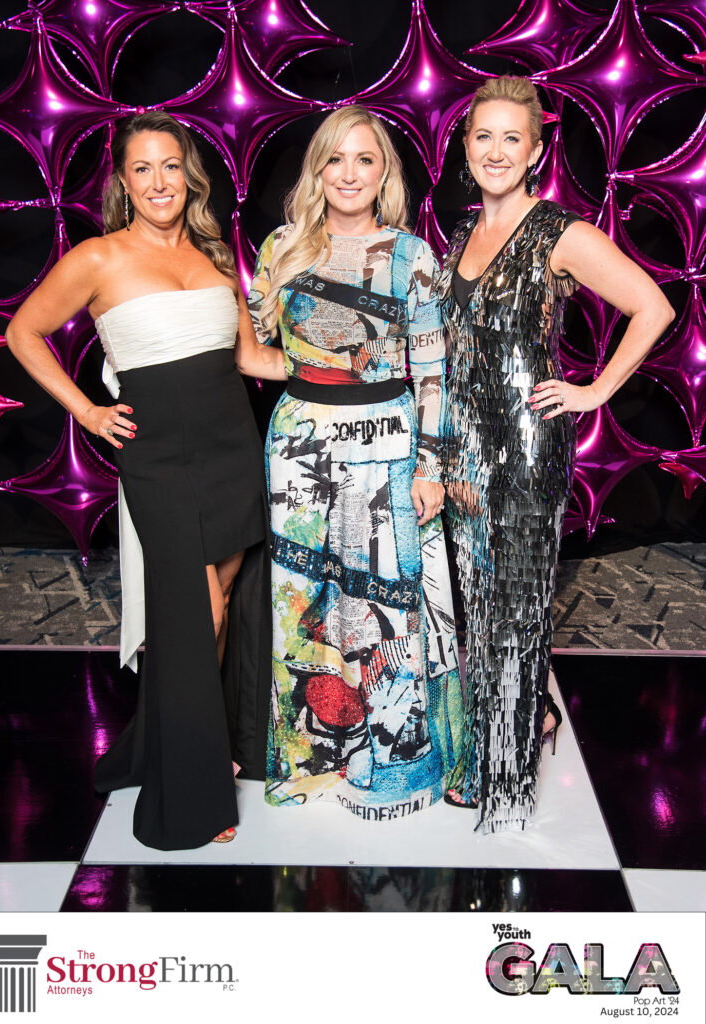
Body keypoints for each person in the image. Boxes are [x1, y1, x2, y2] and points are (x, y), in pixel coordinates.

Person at [5, 111, 285, 851]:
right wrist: (89, 412)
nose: (158, 182)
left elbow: (253, 360)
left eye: (170, 166)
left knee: (216, 612)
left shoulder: (217, 255)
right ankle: (192, 790)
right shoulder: (97, 258)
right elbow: (21, 333)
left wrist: (347, 370)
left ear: (186, 175)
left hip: (232, 451)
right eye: (142, 169)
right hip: (161, 461)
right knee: (196, 611)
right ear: (122, 183)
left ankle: (171, 741)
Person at [438, 76, 674, 833]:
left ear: (535, 151)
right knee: (483, 597)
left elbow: (652, 305)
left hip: (527, 444)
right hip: (466, 447)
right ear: (464, 146)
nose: (496, 151)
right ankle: (531, 707)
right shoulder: (459, 232)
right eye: (483, 137)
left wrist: (593, 390)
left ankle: (493, 763)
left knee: (510, 602)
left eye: (513, 138)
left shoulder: (559, 233)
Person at [247, 105, 464, 820]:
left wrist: (431, 466)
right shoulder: (281, 247)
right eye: (334, 159)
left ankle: (393, 760)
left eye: (364, 159)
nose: (348, 173)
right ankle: (313, 753)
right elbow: (251, 344)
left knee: (383, 605)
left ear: (383, 173)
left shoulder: (413, 255)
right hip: (301, 444)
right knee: (307, 603)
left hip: (388, 442)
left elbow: (432, 373)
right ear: (318, 170)